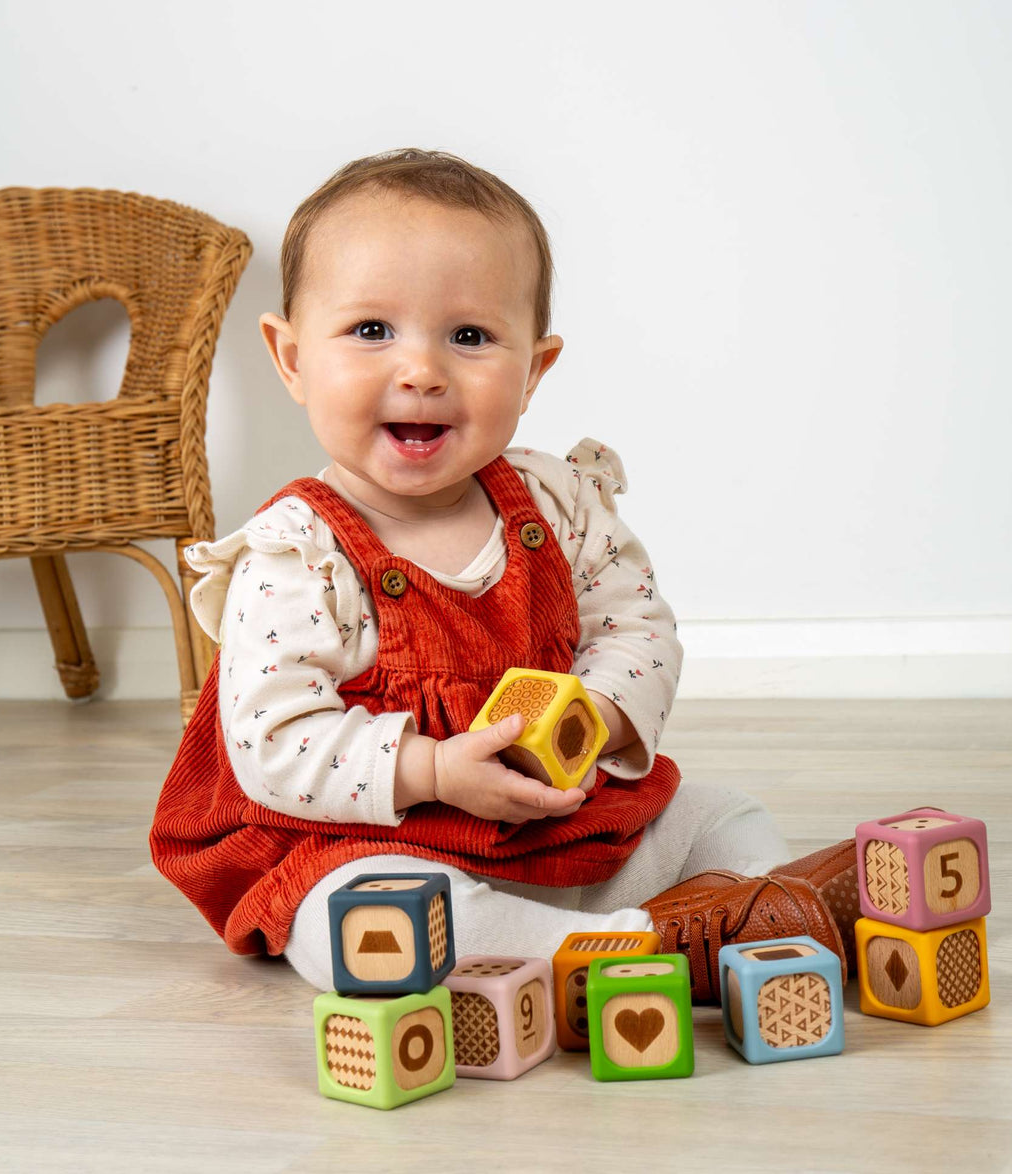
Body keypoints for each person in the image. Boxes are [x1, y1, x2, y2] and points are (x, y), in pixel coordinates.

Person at [150, 148, 860, 1005]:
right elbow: (276, 743)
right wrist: (433, 771)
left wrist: (592, 721)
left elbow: (638, 629)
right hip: (378, 840)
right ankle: (635, 945)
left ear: (534, 371)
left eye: (470, 337)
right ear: (293, 357)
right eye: (372, 331)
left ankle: (755, 907)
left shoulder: (558, 504)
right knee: (359, 915)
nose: (422, 371)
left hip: (557, 824)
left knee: (720, 813)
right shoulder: (297, 555)